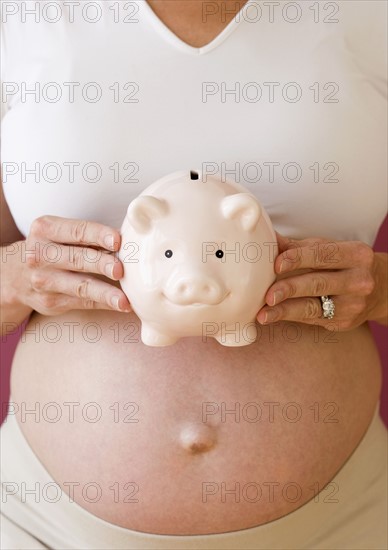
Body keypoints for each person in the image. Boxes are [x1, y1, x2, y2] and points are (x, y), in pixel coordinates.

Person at [1, 1, 387, 548]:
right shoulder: (22, 16)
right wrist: (13, 279)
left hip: (342, 521)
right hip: (43, 525)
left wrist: (380, 289)